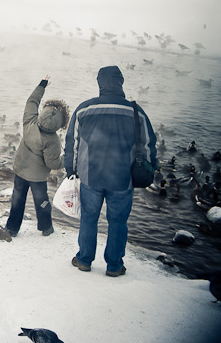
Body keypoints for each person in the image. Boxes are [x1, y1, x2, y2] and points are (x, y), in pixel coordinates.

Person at [64, 66, 158, 277]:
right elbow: (149, 146)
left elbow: (71, 144)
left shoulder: (83, 109)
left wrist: (70, 169)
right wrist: (152, 168)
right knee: (118, 222)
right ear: (121, 82)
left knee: (89, 218)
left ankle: (84, 260)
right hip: (122, 178)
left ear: (99, 83)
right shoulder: (136, 111)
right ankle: (114, 266)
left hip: (91, 176)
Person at [5, 75, 69, 237]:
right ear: (61, 123)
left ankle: (12, 229)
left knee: (17, 199)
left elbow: (32, 101)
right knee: (42, 202)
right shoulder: (53, 140)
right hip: (38, 178)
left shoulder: (29, 122)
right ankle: (46, 227)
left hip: (20, 170)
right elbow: (53, 163)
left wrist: (42, 85)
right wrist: (66, 159)